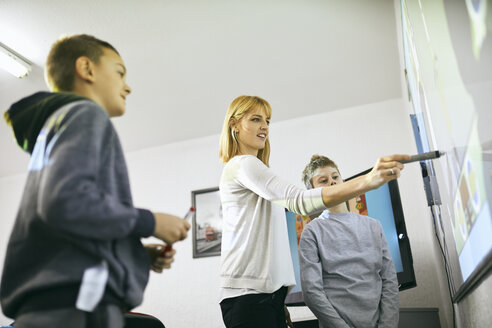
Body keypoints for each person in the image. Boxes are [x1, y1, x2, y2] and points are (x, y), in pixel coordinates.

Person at [0, 34, 190, 328]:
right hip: (78, 307)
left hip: (51, 305)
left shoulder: (55, 127)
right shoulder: (86, 113)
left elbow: (67, 224)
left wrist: (135, 252)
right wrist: (150, 222)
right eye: (119, 72)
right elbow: (67, 202)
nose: (127, 86)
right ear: (86, 69)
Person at [217, 95, 408, 328]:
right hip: (249, 299)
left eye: (267, 120)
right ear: (234, 125)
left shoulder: (256, 172)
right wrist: (368, 180)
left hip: (265, 298)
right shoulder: (243, 164)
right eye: (255, 119)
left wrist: (278, 301)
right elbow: (300, 201)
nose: (265, 126)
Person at [299, 155, 399, 328]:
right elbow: (312, 292)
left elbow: (389, 280)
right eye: (323, 180)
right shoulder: (312, 232)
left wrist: (387, 325)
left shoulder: (373, 226)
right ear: (313, 193)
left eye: (335, 177)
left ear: (343, 180)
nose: (332, 182)